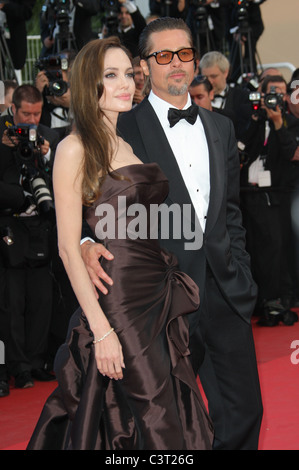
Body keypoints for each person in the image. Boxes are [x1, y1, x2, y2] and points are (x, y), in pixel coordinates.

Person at [81, 17, 263, 450]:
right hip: (158, 297)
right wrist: (87, 243)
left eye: (184, 53)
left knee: (245, 411)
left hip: (224, 290)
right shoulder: (122, 127)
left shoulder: (220, 127)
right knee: (165, 425)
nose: (176, 64)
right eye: (163, 56)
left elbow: (231, 213)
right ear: (145, 66)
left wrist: (242, 275)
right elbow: (88, 199)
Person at [27, 36, 213, 451]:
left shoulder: (126, 141)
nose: (125, 84)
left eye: (128, 73)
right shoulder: (74, 148)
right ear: (89, 83)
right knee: (156, 410)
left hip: (157, 292)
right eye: (111, 76)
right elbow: (66, 247)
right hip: (120, 301)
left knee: (153, 407)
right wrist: (101, 330)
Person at [0, 85, 59, 389]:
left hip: (40, 228)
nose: (31, 120)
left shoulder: (48, 137)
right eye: (26, 114)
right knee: (13, 302)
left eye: (37, 114)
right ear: (13, 110)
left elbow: (58, 182)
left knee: (41, 299)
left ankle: (36, 362)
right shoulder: (2, 136)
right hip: (10, 228)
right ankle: (19, 366)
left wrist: (47, 158)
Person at [239, 75, 299, 324]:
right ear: (262, 95)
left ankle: (280, 299)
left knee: (277, 248)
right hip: (249, 195)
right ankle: (260, 300)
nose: (276, 97)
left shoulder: (292, 123)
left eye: (281, 92)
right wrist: (257, 120)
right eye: (271, 92)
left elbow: (290, 153)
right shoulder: (252, 119)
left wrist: (278, 124)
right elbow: (241, 151)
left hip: (279, 195)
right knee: (253, 249)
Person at [199, 50, 252, 139]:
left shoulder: (242, 97)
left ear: (225, 73)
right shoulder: (194, 98)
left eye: (214, 76)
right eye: (205, 77)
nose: (209, 81)